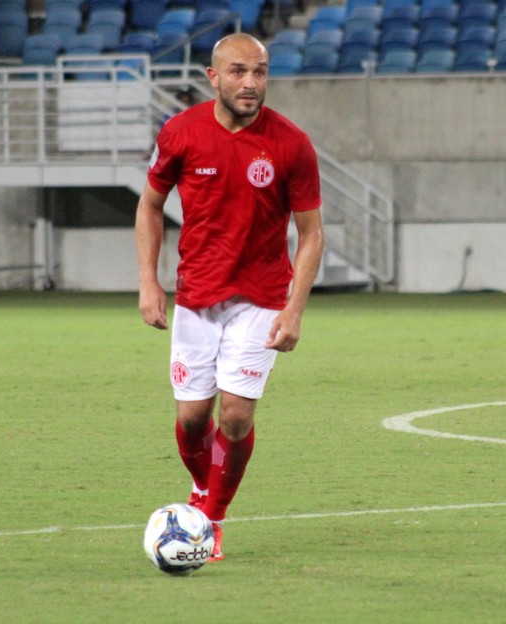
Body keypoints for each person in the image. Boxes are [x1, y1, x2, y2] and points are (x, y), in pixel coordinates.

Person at [135, 33, 324, 562]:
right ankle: (202, 492)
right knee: (194, 417)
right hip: (197, 295)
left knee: (236, 415)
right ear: (213, 77)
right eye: (239, 72)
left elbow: (311, 234)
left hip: (261, 296)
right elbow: (150, 205)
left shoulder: (290, 143)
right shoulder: (180, 132)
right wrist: (149, 281)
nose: (251, 83)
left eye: (260, 72)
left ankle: (209, 521)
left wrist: (294, 308)